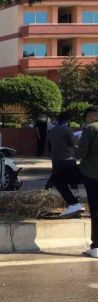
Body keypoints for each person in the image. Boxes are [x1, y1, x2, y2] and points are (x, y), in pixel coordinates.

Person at [53, 106, 98, 258]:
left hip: (90, 172)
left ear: (90, 117)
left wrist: (77, 145)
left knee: (57, 178)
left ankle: (73, 203)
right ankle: (96, 247)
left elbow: (81, 153)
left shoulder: (90, 129)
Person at [46, 111, 84, 216]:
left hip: (56, 157)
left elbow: (50, 142)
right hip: (68, 157)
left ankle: (47, 189)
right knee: (73, 178)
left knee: (56, 176)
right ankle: (75, 198)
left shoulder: (52, 130)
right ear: (67, 120)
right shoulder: (67, 130)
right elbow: (72, 143)